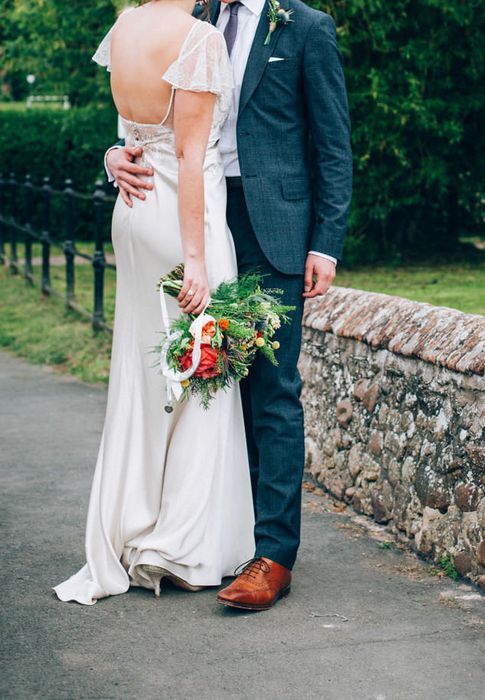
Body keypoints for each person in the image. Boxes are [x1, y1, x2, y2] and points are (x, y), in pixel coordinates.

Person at [87, 0, 353, 610]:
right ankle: (214, 536)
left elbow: (333, 144)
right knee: (200, 385)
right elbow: (152, 115)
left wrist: (325, 244)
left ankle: (273, 556)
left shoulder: (306, 27)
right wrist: (113, 156)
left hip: (274, 229)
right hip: (196, 217)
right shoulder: (190, 16)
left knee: (272, 388)